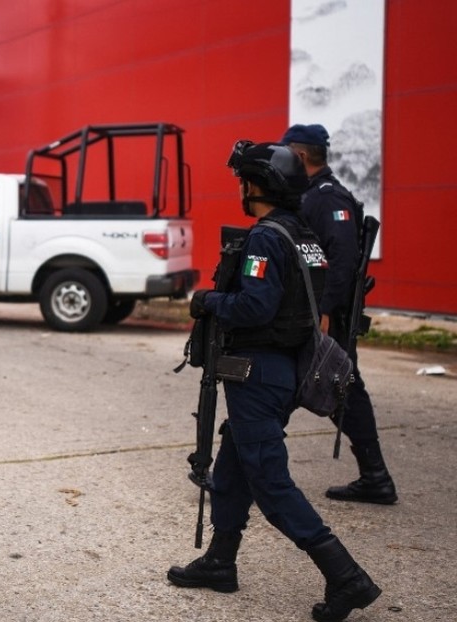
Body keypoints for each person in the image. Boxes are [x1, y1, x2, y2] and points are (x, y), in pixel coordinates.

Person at [168, 141, 380, 622]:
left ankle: (346, 577)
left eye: (245, 179)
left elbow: (254, 307)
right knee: (233, 464)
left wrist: (207, 300)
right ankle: (220, 562)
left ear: (256, 184)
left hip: (257, 371)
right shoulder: (303, 235)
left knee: (269, 478)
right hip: (284, 368)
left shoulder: (265, 238)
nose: (241, 187)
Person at [281, 123, 397, 505]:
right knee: (328, 387)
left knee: (335, 387)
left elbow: (341, 261)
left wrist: (326, 310)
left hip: (327, 316)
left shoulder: (329, 199)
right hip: (313, 313)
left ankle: (376, 477)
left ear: (299, 156)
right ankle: (375, 477)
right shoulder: (312, 195)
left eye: (285, 155)